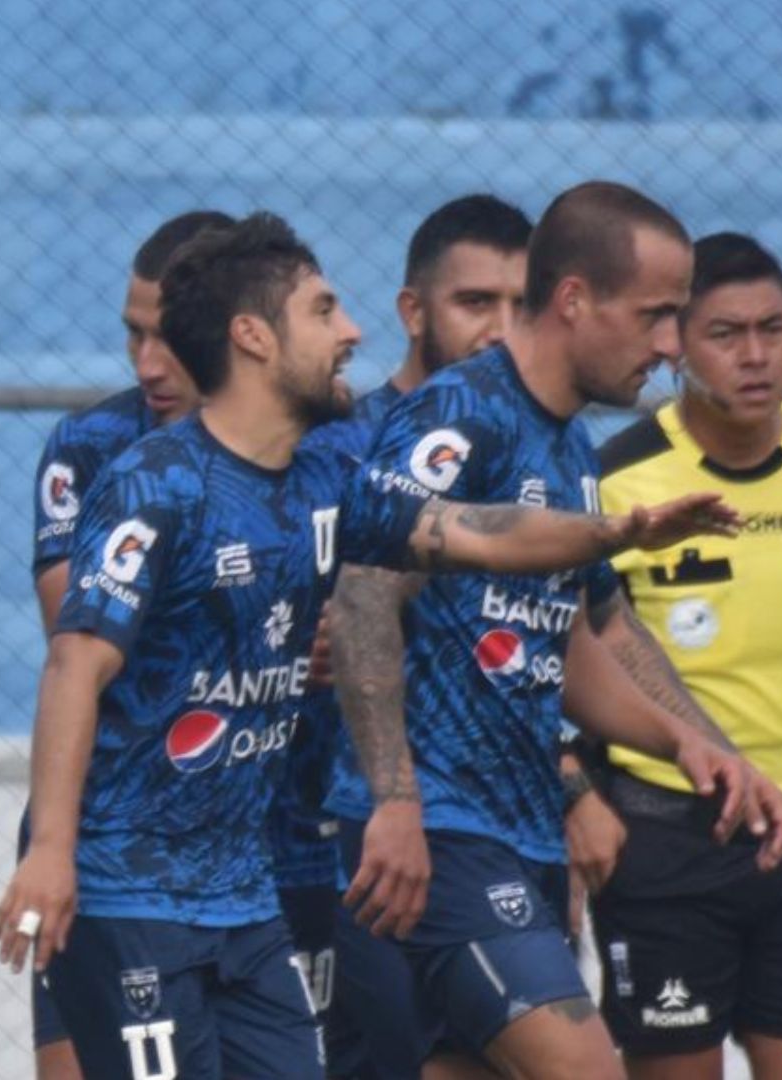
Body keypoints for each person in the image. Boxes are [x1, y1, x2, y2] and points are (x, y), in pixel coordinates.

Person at [0, 211, 739, 1080]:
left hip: (246, 903)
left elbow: (479, 532)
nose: (351, 333)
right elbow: (75, 662)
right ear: (254, 337)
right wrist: (50, 850)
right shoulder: (154, 484)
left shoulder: (332, 477)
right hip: (131, 895)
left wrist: (618, 531)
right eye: (324, 310)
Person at [324, 182, 782, 1080]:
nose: (670, 347)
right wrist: (394, 798)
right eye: (657, 315)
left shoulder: (572, 447)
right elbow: (363, 595)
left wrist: (699, 742)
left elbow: (581, 634)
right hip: (440, 833)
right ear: (575, 299)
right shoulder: (463, 415)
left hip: (522, 834)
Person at [586, 232, 782, 1079]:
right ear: (676, 348)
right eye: (726, 335)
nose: (757, 355)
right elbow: (557, 651)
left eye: (775, 328)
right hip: (666, 838)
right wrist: (578, 792)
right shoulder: (616, 483)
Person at [300, 194, 535, 1080]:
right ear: (413, 312)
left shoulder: (530, 450)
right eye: (477, 303)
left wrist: (575, 778)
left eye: (521, 306)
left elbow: (547, 640)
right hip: (349, 840)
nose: (501, 331)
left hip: (501, 829)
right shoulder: (338, 448)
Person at [26, 209, 230, 1080]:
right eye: (132, 334)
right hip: (104, 831)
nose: (147, 364)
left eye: (169, 337)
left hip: (253, 840)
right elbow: (76, 629)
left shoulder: (315, 455)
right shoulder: (88, 447)